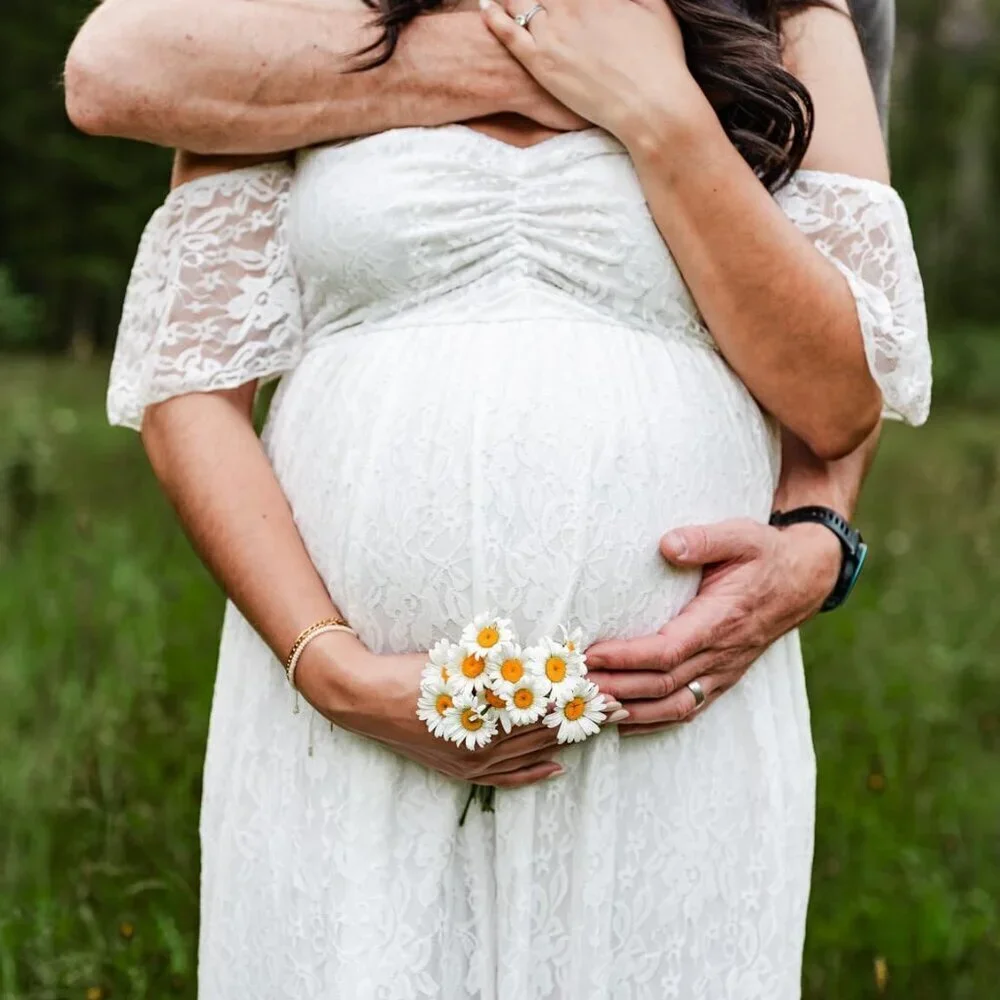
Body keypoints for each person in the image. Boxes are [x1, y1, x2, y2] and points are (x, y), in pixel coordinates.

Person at [65, 0, 931, 997]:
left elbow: (835, 403)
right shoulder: (301, 17)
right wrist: (332, 670)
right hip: (348, 732)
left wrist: (657, 107)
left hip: (664, 738)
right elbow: (191, 382)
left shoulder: (780, 21)